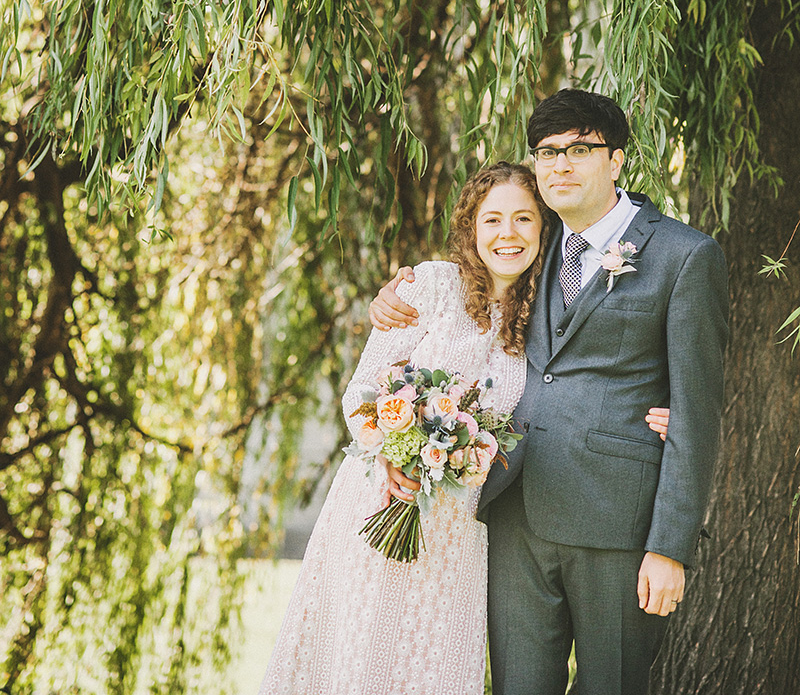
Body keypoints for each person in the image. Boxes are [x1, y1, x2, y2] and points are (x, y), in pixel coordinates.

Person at [257, 160, 669, 695]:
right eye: (492, 220)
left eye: (524, 219)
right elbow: (360, 393)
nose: (508, 234)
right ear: (471, 229)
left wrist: (668, 408)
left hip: (462, 529)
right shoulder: (429, 286)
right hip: (384, 499)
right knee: (360, 659)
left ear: (544, 231)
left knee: (432, 666)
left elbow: (600, 369)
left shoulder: (546, 310)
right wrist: (390, 454)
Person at [370, 88, 728, 695]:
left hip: (619, 524)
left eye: (580, 149)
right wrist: (396, 298)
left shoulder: (684, 257)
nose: (560, 164)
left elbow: (697, 410)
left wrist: (671, 547)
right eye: (547, 152)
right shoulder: (530, 245)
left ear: (616, 160)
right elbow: (466, 300)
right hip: (515, 515)